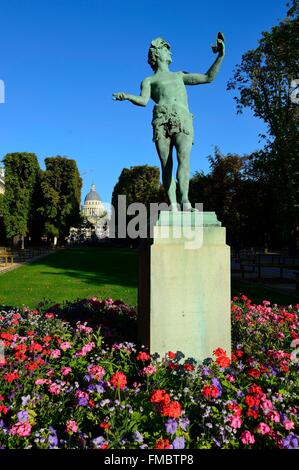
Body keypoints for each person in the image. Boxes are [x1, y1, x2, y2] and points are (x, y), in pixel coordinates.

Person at [113, 33, 225, 210]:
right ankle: (173, 205)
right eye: (166, 50)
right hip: (161, 120)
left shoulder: (179, 75)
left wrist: (220, 56)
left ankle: (185, 201)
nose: (171, 54)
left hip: (183, 118)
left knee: (184, 159)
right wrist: (127, 96)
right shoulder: (149, 80)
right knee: (166, 165)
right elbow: (143, 101)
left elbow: (208, 78)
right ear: (157, 54)